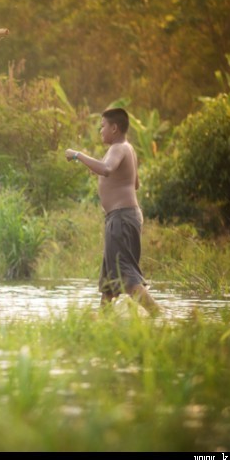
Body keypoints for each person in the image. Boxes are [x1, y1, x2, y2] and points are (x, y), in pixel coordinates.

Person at [65, 107, 160, 316]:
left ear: (114, 128)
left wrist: (77, 155)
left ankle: (159, 316)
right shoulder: (128, 149)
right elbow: (134, 183)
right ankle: (103, 324)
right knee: (109, 280)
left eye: (103, 127)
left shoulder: (118, 148)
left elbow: (107, 169)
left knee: (126, 276)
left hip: (121, 219)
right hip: (122, 218)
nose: (101, 131)